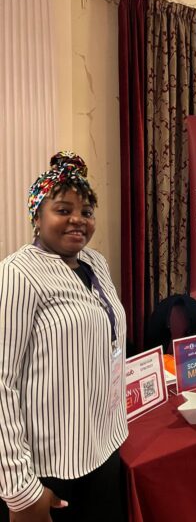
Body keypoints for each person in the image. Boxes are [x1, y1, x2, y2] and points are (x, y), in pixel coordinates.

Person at [0, 152, 128, 522]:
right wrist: (21, 491)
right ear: (37, 217)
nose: (78, 219)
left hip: (104, 447)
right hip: (50, 466)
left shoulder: (95, 263)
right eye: (63, 209)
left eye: (87, 211)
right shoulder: (18, 274)